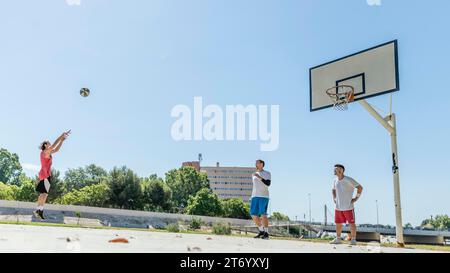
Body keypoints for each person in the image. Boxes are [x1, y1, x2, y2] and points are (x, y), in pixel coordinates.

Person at [34, 130, 71, 220]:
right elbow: (54, 145)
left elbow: (57, 149)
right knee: (43, 194)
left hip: (47, 174)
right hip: (44, 174)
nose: (50, 143)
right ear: (45, 145)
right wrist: (61, 135)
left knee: (45, 194)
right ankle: (38, 210)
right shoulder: (45, 152)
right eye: (48, 143)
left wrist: (62, 140)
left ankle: (40, 210)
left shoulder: (48, 152)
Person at [330, 164, 363, 245]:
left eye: (336, 169)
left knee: (351, 224)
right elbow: (333, 189)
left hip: (348, 207)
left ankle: (353, 240)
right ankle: (338, 239)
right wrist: (334, 198)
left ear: (341, 170)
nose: (334, 171)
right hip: (338, 207)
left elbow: (360, 187)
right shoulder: (335, 180)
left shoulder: (348, 179)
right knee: (338, 224)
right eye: (334, 170)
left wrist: (356, 198)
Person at [250, 159, 271, 240]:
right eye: (255, 163)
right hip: (254, 196)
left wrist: (259, 177)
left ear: (262, 164)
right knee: (253, 214)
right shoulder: (253, 174)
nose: (256, 164)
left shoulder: (267, 173)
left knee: (263, 214)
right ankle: (261, 231)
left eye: (257, 163)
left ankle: (266, 233)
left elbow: (268, 184)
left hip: (263, 196)